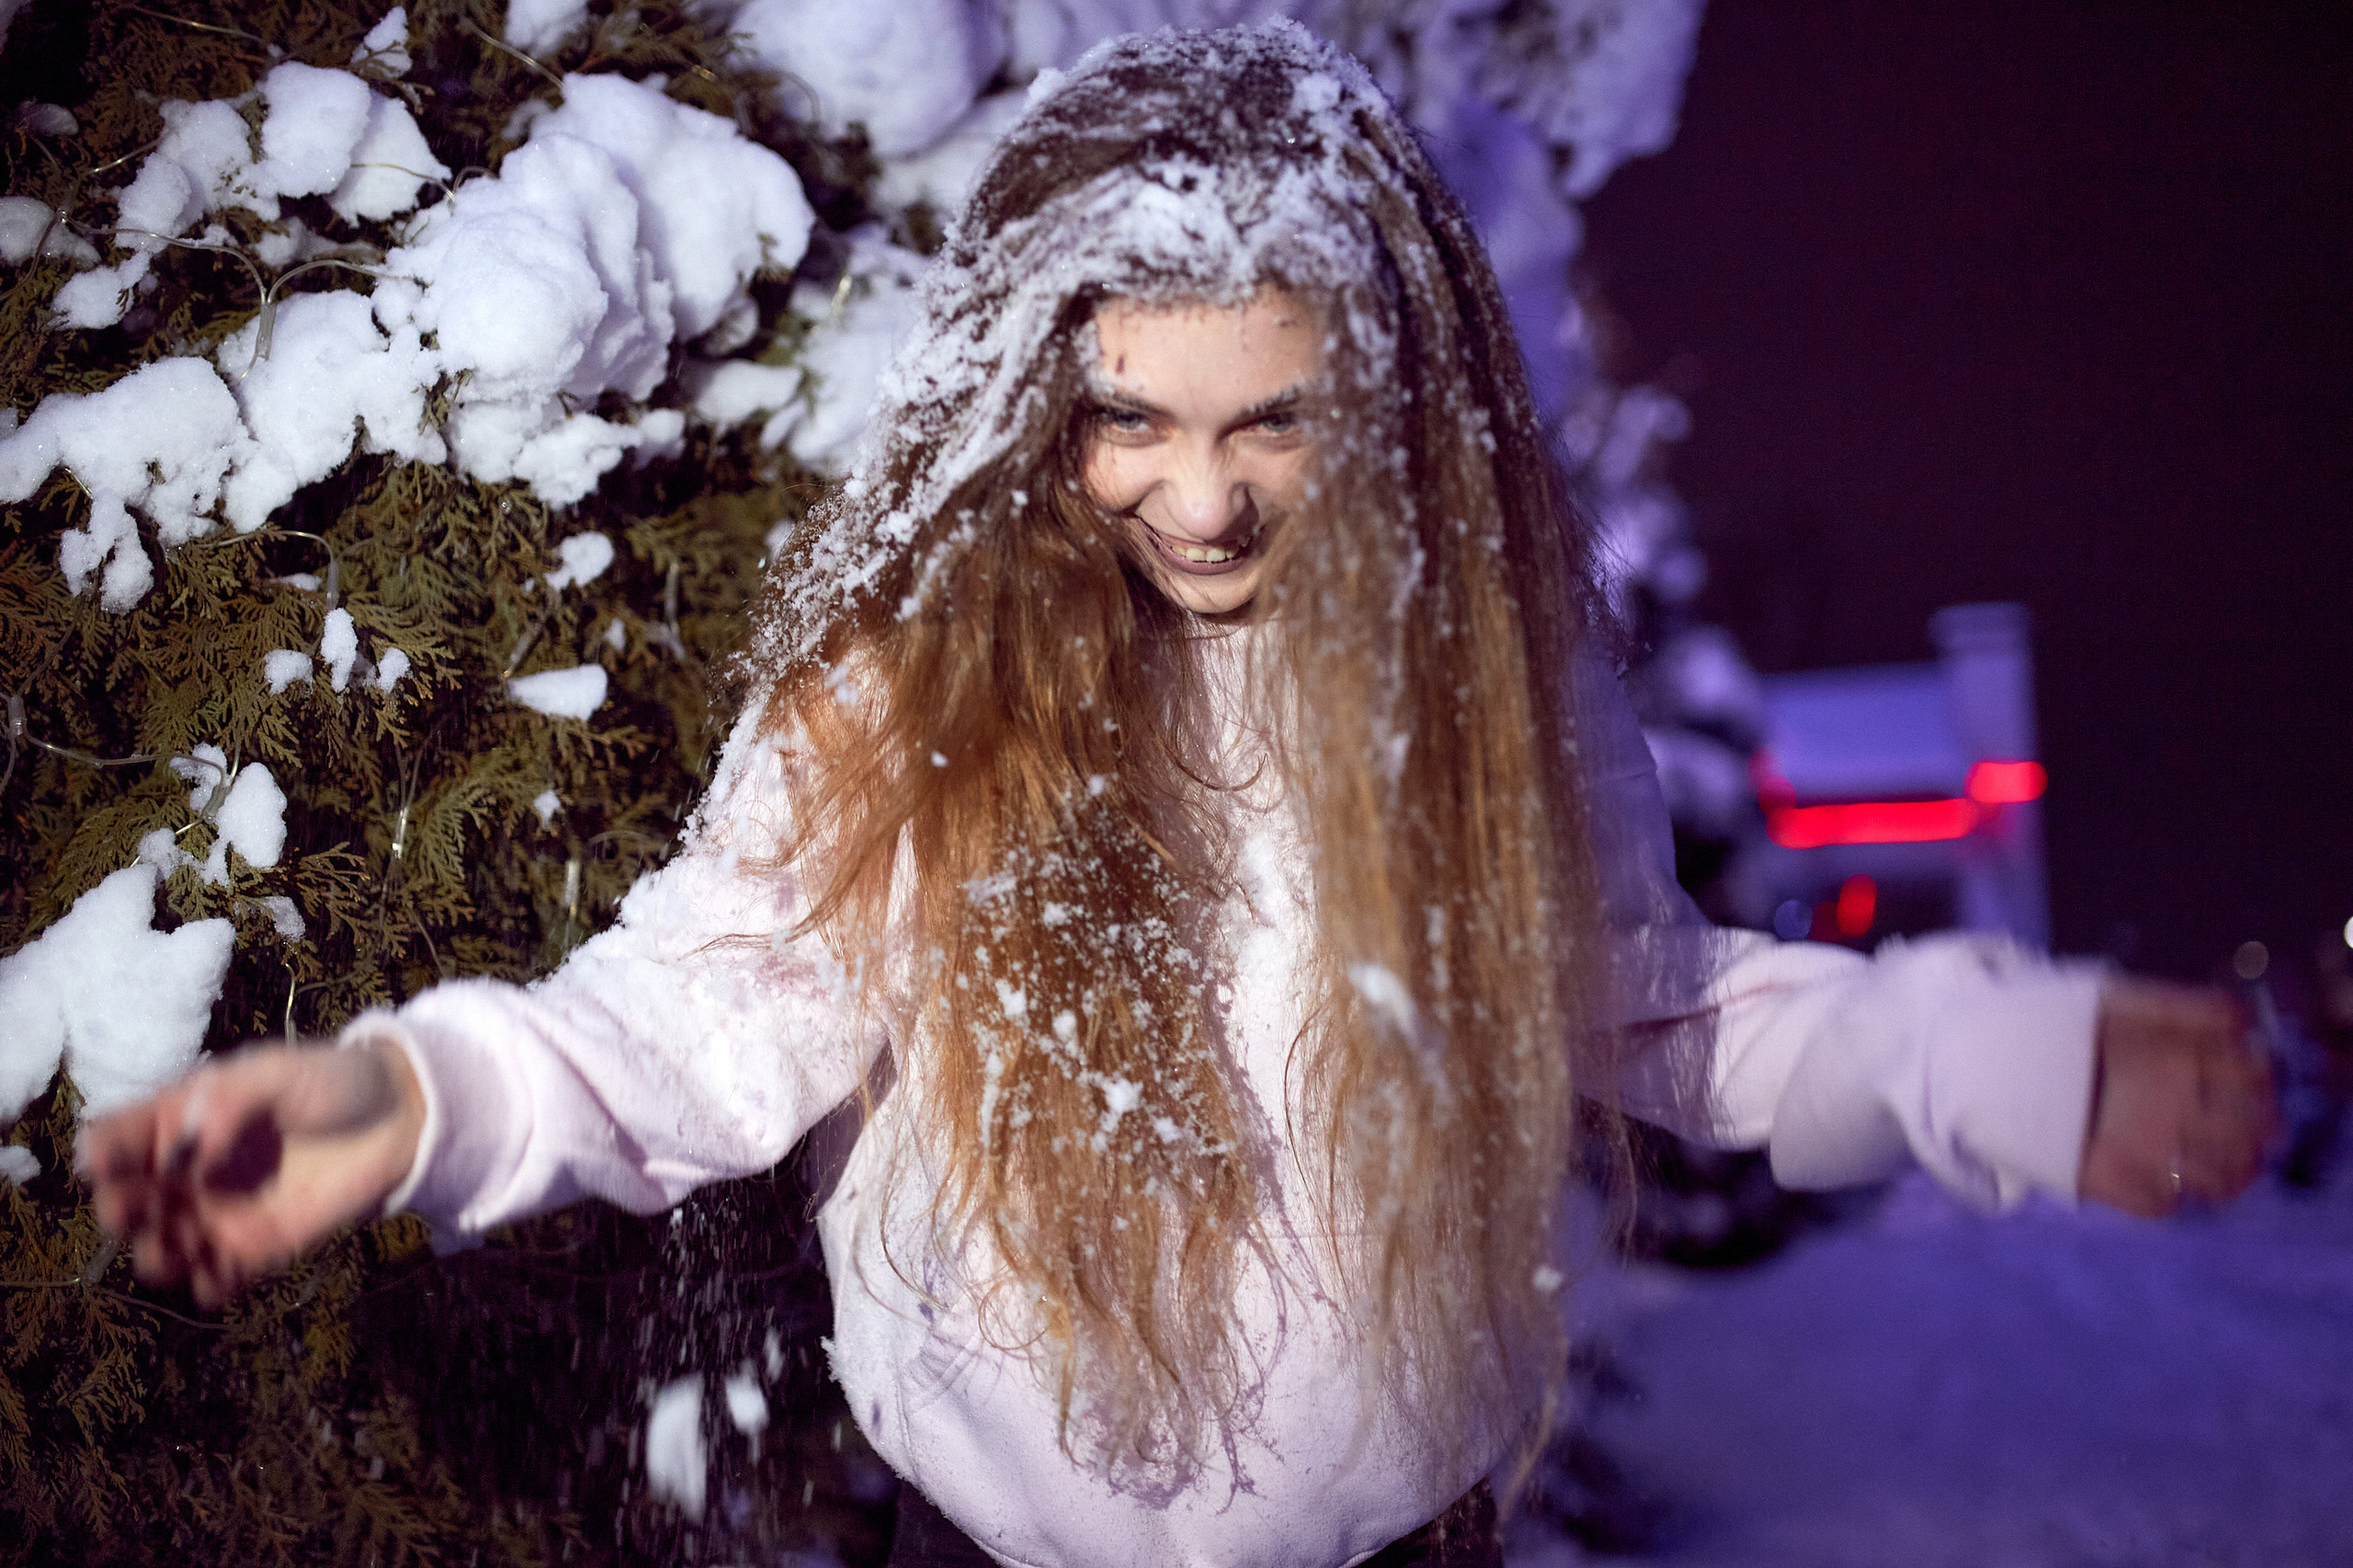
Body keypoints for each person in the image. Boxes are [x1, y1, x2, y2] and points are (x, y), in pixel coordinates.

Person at [79, 21, 2270, 1567]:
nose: (1202, 504)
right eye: (1129, 420)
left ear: (1391, 399)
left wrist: (1981, 1047)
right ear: (1029, 397)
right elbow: (684, 1024)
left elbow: (1641, 1007)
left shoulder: (1479, 687)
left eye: (1277, 424)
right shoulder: (901, 696)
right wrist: (403, 1103)